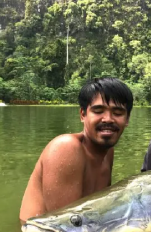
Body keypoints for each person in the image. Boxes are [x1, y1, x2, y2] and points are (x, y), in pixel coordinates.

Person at [19, 77, 133, 223]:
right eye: (98, 111)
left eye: (117, 113)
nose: (108, 119)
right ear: (83, 115)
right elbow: (66, 227)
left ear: (127, 119)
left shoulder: (108, 152)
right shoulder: (65, 148)